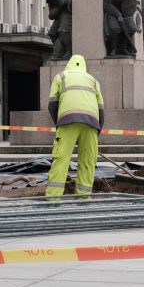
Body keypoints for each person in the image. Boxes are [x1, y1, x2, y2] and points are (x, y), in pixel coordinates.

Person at [45, 54, 104, 199]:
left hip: (67, 121)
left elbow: (52, 105)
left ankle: (53, 198)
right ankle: (83, 196)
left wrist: (59, 124)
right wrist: (97, 131)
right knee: (88, 160)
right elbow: (101, 109)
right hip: (92, 122)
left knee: (61, 159)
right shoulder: (93, 81)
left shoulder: (61, 77)